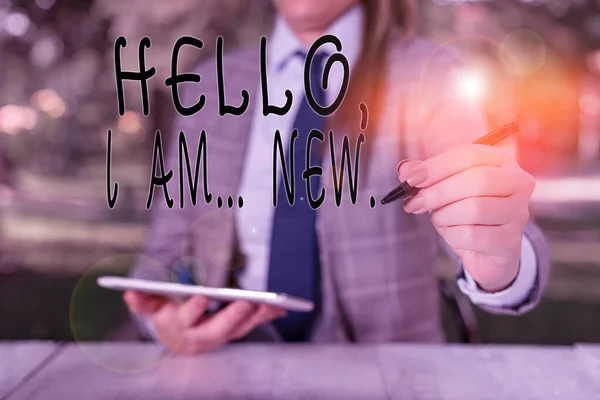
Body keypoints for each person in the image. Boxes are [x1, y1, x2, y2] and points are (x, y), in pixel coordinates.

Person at [123, 0, 549, 354]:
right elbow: (164, 253)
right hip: (228, 369)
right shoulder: (209, 87)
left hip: (385, 379)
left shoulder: (431, 75)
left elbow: (501, 227)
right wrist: (162, 319)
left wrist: (499, 262)